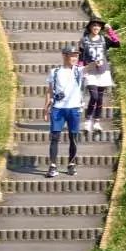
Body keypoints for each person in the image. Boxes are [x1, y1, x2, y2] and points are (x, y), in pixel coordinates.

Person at [46, 45, 86, 178]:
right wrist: (46, 107)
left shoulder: (79, 71)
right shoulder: (55, 72)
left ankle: (71, 164)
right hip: (58, 109)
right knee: (54, 137)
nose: (75, 58)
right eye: (72, 55)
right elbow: (50, 90)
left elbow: (90, 68)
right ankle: (52, 166)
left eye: (76, 55)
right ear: (64, 55)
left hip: (74, 108)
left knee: (73, 138)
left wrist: (98, 62)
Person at [78, 17, 119, 136]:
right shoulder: (84, 40)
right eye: (94, 25)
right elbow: (80, 57)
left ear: (101, 28)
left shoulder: (104, 39)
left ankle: (96, 122)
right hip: (90, 71)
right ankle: (87, 121)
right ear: (90, 27)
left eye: (98, 26)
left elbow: (117, 43)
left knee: (100, 98)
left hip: (103, 71)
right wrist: (81, 70)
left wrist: (110, 30)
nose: (96, 27)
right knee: (94, 96)